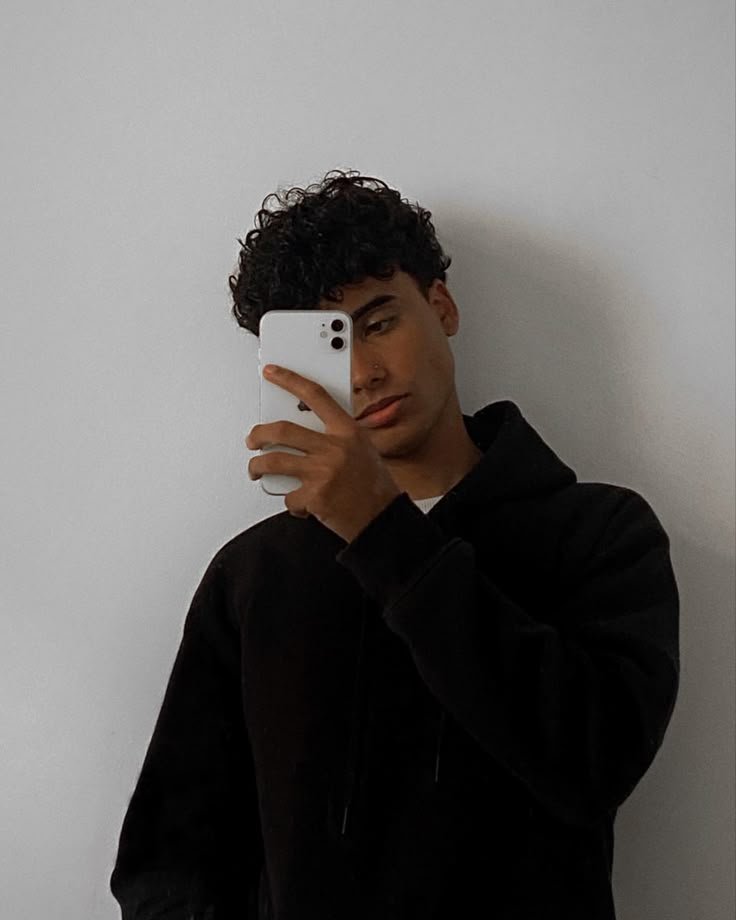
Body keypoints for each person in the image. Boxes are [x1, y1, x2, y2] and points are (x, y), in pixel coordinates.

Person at [110, 169, 680, 919]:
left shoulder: (601, 534)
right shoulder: (253, 576)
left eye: (378, 323)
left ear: (441, 306)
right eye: (328, 349)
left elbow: (592, 766)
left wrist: (385, 532)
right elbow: (171, 861)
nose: (363, 374)